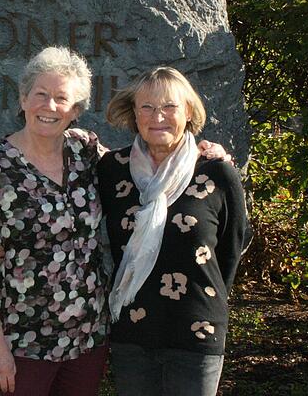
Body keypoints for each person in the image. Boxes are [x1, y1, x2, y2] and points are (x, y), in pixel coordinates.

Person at [0, 47, 110, 396]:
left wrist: (200, 154)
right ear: (23, 99)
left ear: (75, 111)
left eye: (62, 98)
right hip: (23, 343)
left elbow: (139, 170)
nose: (50, 106)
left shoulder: (84, 152)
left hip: (88, 338)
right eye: (41, 94)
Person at [97, 66, 250, 396]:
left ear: (189, 111)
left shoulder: (217, 172)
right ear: (134, 114)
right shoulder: (111, 170)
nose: (158, 117)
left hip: (196, 330)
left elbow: (231, 249)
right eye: (147, 107)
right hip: (132, 330)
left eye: (169, 106)